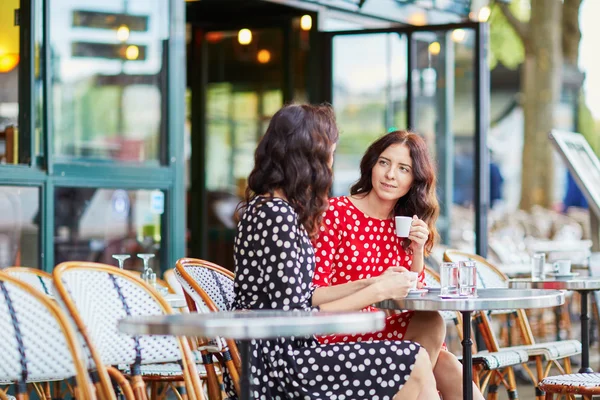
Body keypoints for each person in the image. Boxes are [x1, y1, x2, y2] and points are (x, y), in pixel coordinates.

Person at [231, 104, 439, 399]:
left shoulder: (277, 210)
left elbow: (306, 294)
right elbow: (300, 318)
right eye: (329, 151)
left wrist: (371, 282)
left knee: (429, 355)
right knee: (414, 360)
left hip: (286, 355)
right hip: (279, 366)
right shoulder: (276, 215)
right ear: (308, 156)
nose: (331, 160)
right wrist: (378, 291)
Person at [312, 130, 484, 400]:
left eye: (403, 168)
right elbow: (315, 290)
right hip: (341, 332)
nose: (390, 174)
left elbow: (414, 294)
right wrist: (373, 287)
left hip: (389, 330)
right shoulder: (336, 213)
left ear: (414, 180)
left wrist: (417, 251)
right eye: (384, 163)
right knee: (440, 358)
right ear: (372, 164)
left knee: (434, 330)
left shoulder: (404, 223)